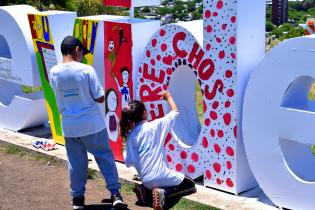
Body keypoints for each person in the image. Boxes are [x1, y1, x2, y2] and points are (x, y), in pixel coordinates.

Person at [49, 36, 126, 210]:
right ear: (76, 50)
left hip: (69, 126)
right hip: (92, 124)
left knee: (76, 163)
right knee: (104, 157)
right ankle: (115, 194)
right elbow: (99, 98)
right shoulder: (86, 70)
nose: (82, 55)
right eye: (82, 51)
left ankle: (77, 200)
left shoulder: (53, 72)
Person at [120, 91, 196, 210]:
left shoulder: (130, 136)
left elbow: (128, 162)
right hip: (161, 175)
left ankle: (146, 191)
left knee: (159, 198)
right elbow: (175, 113)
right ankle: (159, 193)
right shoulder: (155, 126)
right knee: (190, 185)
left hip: (146, 181)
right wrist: (168, 97)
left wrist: (127, 147)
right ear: (144, 113)